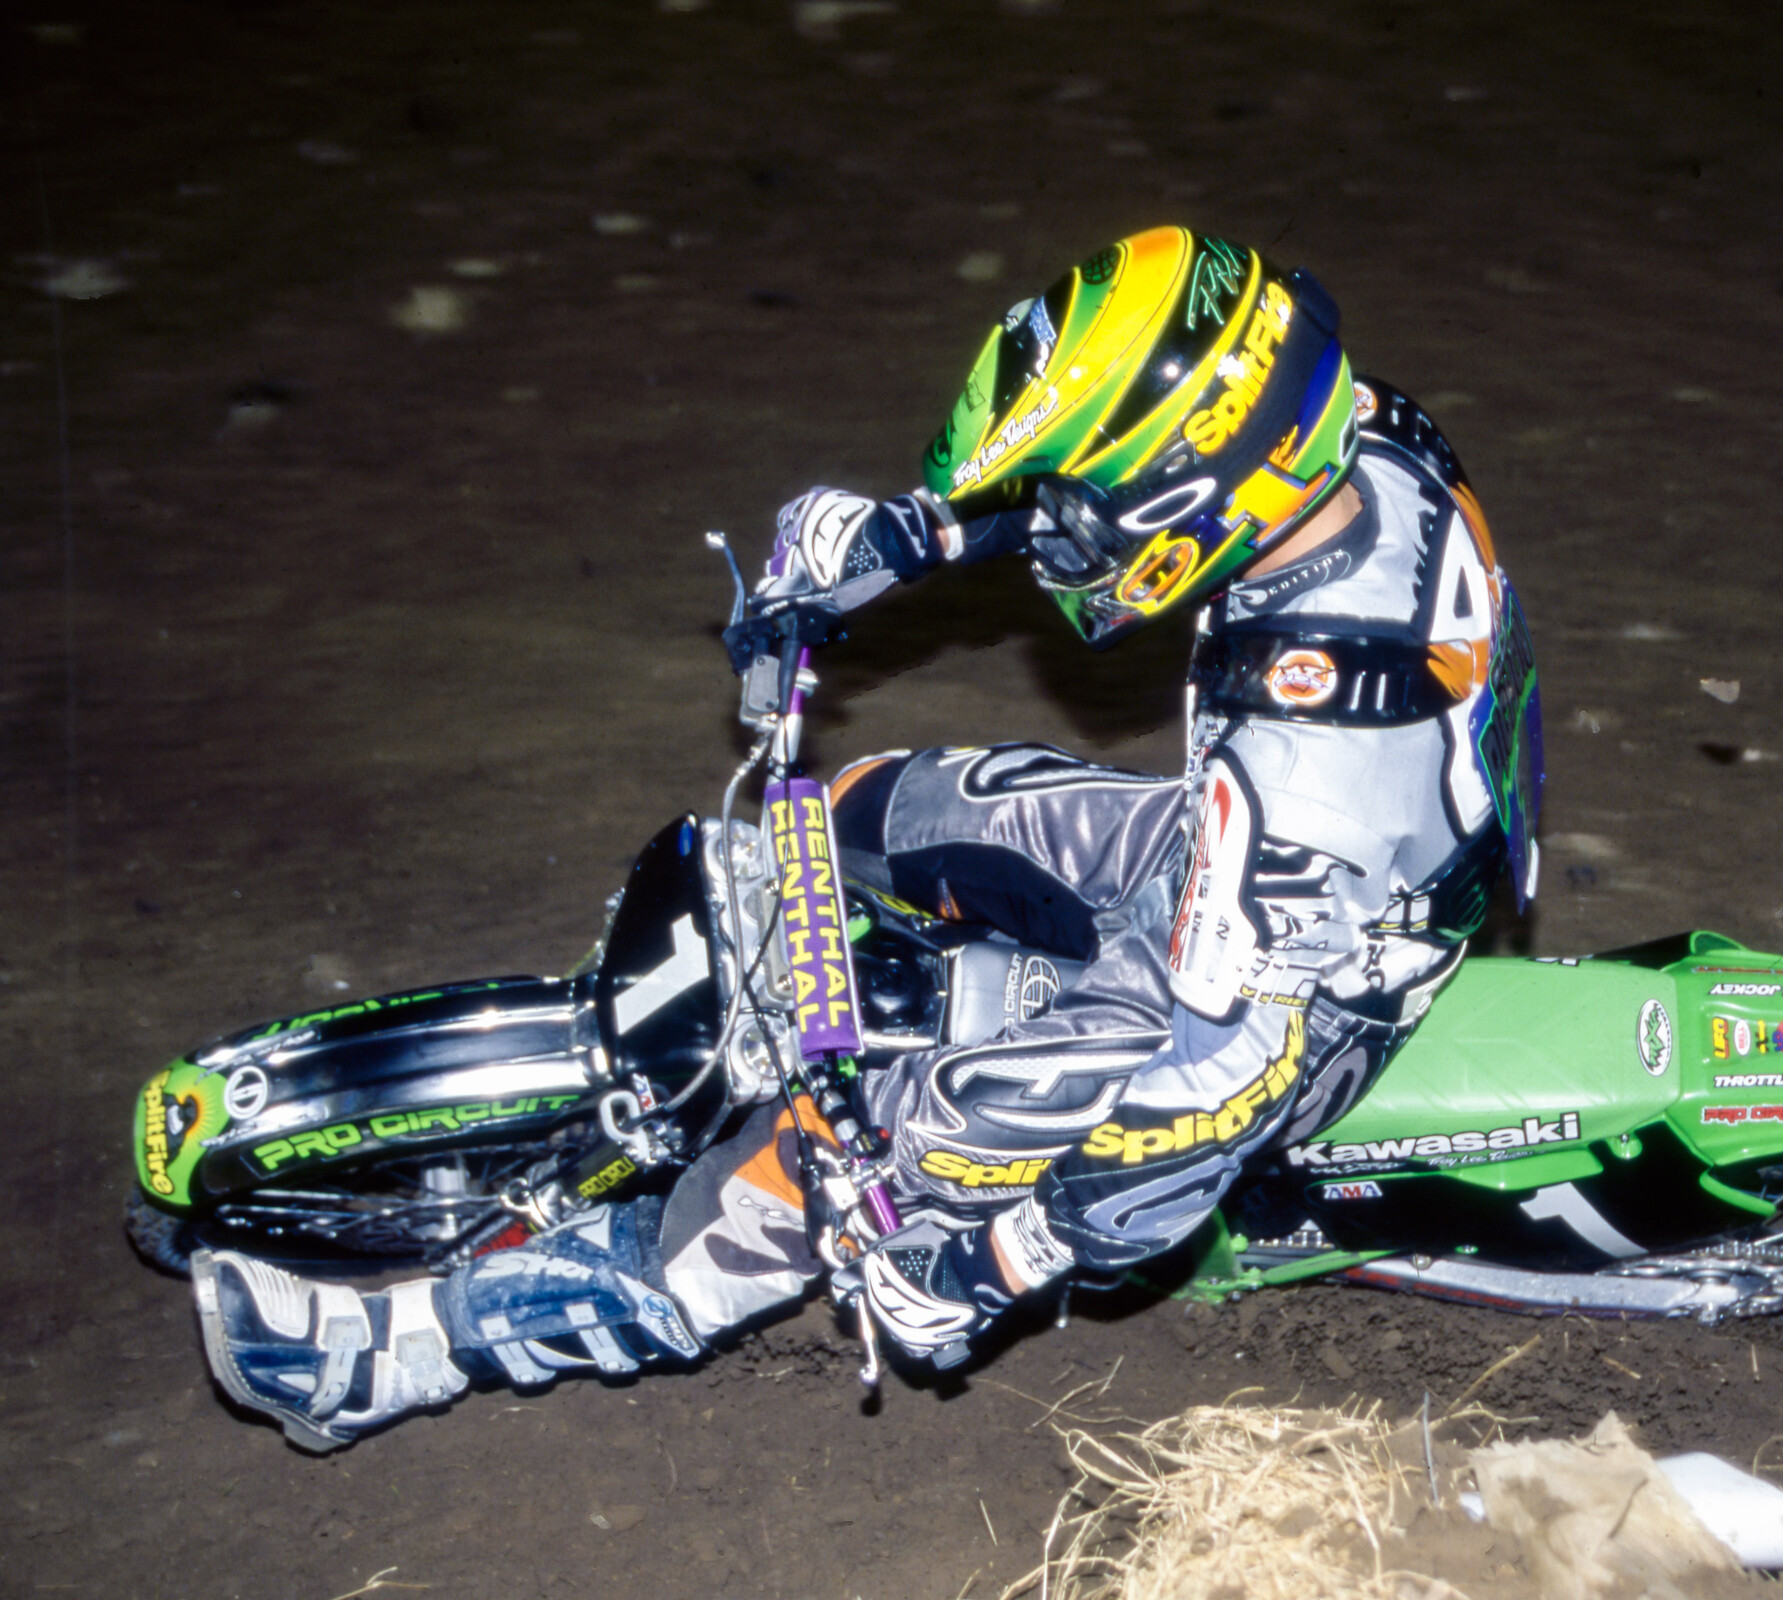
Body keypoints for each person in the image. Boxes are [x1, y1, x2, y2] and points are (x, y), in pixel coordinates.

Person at [191, 226, 1544, 1450]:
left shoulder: (1310, 759)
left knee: (842, 1175)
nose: (1058, 551)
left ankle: (400, 1356)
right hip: (1259, 858)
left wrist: (992, 1257)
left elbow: (1217, 1089)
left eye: (1081, 519)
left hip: (1294, 999)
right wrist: (906, 534)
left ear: (1193, 498)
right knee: (877, 805)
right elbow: (1136, 478)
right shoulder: (1337, 431)